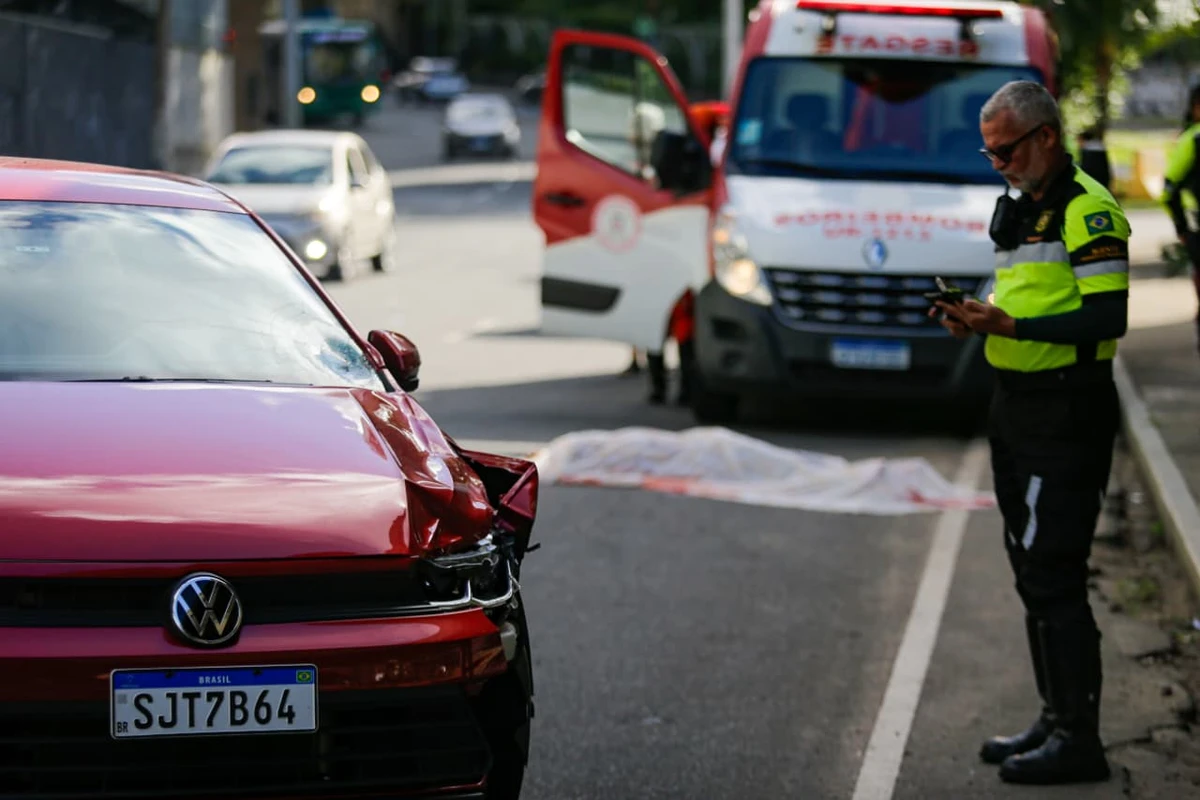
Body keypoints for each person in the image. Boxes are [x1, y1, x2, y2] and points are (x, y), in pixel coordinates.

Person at [930, 80, 1129, 786]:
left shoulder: (1088, 209)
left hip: (1066, 412)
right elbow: (1022, 293)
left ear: (1047, 136)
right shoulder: (1022, 208)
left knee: (1053, 574)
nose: (998, 165)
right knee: (1027, 568)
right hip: (1015, 406)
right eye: (989, 154)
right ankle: (1056, 714)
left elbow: (1107, 320)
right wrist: (975, 314)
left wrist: (1011, 327)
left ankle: (1081, 740)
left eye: (1006, 150)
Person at [1160, 82, 1200, 355]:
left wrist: (1181, 227)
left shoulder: (1192, 138)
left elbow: (1168, 190)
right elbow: (1169, 189)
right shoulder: (1192, 139)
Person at [1076, 126, 1111, 191]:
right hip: (1102, 181)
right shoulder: (1101, 149)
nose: (1078, 143)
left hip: (1091, 182)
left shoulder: (1086, 151)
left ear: (1083, 139)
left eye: (1079, 140)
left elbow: (1086, 168)